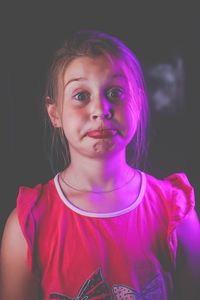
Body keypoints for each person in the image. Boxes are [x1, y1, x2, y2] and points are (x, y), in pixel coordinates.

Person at [0, 30, 200, 300]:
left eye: (116, 92)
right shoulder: (27, 226)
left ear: (138, 104)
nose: (100, 109)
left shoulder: (175, 213)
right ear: (54, 113)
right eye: (81, 96)